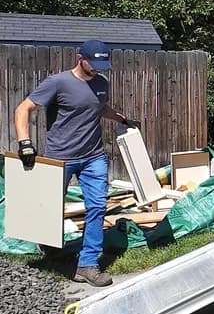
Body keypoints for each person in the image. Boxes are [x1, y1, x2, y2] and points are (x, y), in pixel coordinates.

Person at [14, 40, 140, 287]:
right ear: (79, 58)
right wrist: (24, 142)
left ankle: (87, 264)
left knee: (97, 207)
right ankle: (49, 246)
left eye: (101, 64)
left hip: (93, 157)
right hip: (59, 157)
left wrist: (123, 119)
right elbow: (23, 108)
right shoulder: (58, 83)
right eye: (93, 64)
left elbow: (100, 108)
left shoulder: (102, 83)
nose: (97, 69)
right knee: (46, 207)